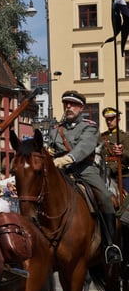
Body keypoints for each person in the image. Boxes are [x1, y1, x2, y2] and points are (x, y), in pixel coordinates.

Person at [47, 91, 122, 264]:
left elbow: (84, 147)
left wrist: (66, 159)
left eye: (72, 104)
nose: (68, 107)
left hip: (84, 169)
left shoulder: (90, 127)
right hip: (61, 171)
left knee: (104, 196)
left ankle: (111, 245)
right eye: (66, 103)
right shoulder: (55, 129)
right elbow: (50, 148)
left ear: (81, 108)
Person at [100, 107, 129, 195]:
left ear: (118, 119)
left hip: (121, 175)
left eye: (112, 119)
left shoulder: (125, 137)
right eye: (107, 119)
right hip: (102, 172)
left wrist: (122, 152)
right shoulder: (101, 137)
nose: (109, 122)